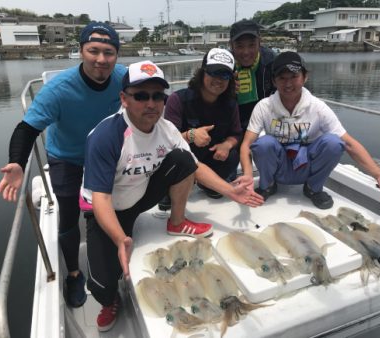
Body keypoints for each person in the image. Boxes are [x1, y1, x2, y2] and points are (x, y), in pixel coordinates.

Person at [80, 60, 263, 332]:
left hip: (140, 195)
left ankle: (177, 222)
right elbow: (102, 199)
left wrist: (230, 191)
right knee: (104, 283)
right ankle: (109, 301)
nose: (151, 103)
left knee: (182, 159)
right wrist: (119, 238)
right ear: (124, 99)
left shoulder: (166, 129)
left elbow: (195, 166)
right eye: (141, 96)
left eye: (158, 96)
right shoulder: (106, 136)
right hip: (106, 210)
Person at [0, 22, 127, 308]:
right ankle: (73, 272)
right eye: (93, 51)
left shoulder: (124, 78)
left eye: (109, 52)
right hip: (66, 155)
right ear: (80, 51)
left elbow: (148, 101)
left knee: (108, 206)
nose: (101, 59)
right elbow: (27, 129)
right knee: (68, 215)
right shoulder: (58, 89)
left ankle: (113, 256)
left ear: (117, 55)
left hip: (105, 154)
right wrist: (17, 162)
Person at [240, 51, 380, 209]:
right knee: (264, 143)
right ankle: (268, 185)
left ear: (305, 77)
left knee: (334, 142)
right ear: (274, 81)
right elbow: (247, 144)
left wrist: (378, 174)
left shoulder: (318, 107)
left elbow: (349, 144)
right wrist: (248, 174)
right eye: (282, 78)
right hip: (279, 166)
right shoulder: (264, 106)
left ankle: (313, 188)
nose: (288, 83)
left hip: (305, 165)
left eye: (294, 76)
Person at [162, 47, 242, 203]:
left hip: (210, 156)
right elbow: (166, 140)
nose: (219, 80)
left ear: (231, 79)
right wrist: (190, 135)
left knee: (232, 155)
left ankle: (209, 185)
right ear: (202, 72)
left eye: (225, 75)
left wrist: (226, 144)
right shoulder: (177, 99)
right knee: (175, 155)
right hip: (184, 159)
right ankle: (170, 187)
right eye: (213, 72)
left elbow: (236, 133)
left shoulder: (231, 104)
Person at [229, 19, 276, 132]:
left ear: (259, 42)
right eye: (240, 46)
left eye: (251, 45)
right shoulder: (225, 65)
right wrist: (226, 90)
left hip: (266, 122)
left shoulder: (271, 61)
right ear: (231, 45)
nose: (246, 52)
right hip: (233, 124)